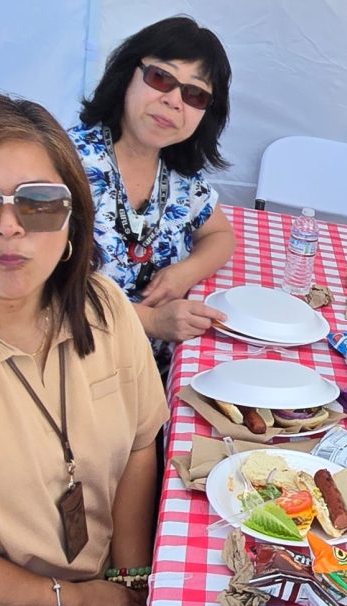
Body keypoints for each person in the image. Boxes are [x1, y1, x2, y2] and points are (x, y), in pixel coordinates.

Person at [0, 94, 169, 606]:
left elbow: (139, 445)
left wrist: (129, 581)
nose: (9, 227)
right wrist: (78, 603)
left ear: (72, 217)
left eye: (39, 203)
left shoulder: (104, 306)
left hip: (99, 584)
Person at [69, 16, 236, 374]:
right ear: (126, 75)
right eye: (161, 78)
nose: (174, 101)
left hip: (155, 371)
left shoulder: (179, 174)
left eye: (195, 94)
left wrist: (186, 272)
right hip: (77, 366)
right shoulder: (64, 164)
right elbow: (38, 291)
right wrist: (151, 321)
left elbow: (221, 235)